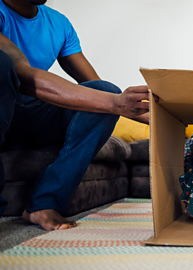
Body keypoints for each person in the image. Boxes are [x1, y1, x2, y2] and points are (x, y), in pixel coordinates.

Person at [0, 0, 151, 230]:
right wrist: (115, 102)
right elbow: (27, 78)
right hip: (4, 109)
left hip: (32, 118)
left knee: (104, 91)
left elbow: (96, 90)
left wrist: (160, 117)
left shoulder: (58, 23)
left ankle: (44, 203)